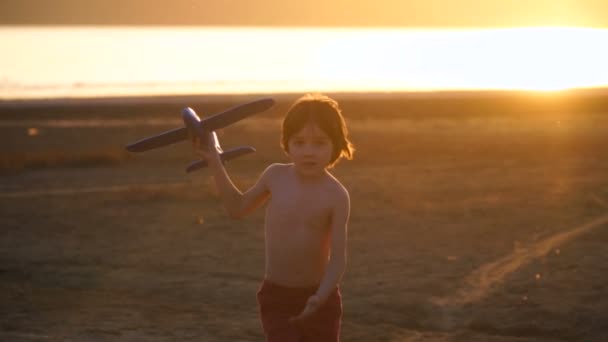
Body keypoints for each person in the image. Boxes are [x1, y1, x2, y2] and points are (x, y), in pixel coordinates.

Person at [195, 93, 354, 341]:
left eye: (319, 143)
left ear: (336, 144)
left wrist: (320, 296)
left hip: (320, 299)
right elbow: (237, 208)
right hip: (277, 298)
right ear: (287, 143)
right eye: (299, 142)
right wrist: (215, 161)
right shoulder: (275, 177)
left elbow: (338, 260)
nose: (308, 151)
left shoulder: (336, 195)